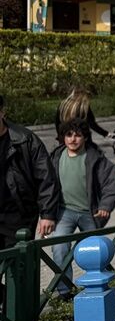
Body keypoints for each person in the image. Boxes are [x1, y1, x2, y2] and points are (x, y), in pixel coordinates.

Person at [48, 119, 115, 297]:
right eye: (69, 135)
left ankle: (103, 289)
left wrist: (105, 205)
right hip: (64, 212)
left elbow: (112, 183)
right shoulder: (55, 157)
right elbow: (45, 185)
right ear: (63, 137)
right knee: (59, 246)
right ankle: (65, 292)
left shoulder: (95, 158)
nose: (73, 139)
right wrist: (46, 215)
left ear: (85, 138)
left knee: (97, 252)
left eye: (78, 135)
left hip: (90, 213)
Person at [0, 93, 59, 249]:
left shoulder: (25, 139)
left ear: (2, 112)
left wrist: (47, 214)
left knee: (19, 262)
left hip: (18, 217)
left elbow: (46, 177)